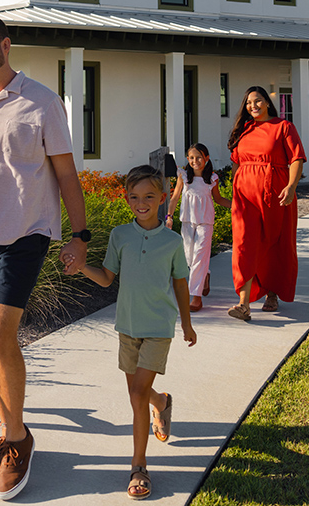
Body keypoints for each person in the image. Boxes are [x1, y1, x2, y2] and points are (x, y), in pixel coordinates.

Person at [0, 13, 89, 501]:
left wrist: (80, 235)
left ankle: (17, 442)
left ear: (5, 46)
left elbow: (66, 174)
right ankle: (12, 430)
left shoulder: (42, 102)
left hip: (23, 234)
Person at [71, 165, 196, 500]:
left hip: (158, 328)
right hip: (127, 326)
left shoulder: (172, 241)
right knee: (137, 395)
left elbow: (180, 284)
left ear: (162, 198)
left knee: (137, 395)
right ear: (127, 199)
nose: (142, 203)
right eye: (135, 197)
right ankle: (161, 401)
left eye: (149, 197)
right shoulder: (120, 235)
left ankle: (138, 466)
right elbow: (107, 278)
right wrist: (82, 267)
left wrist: (186, 324)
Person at [226, 85, 306, 320]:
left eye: (258, 100)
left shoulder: (283, 127)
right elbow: (237, 164)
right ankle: (243, 304)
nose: (253, 106)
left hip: (276, 195)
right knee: (244, 244)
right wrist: (234, 192)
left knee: (275, 243)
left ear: (268, 103)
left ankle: (272, 293)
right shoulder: (244, 130)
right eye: (249, 102)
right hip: (245, 198)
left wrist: (291, 186)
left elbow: (297, 158)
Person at [165, 143, 231, 312]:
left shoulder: (212, 179)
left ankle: (196, 297)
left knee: (199, 258)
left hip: (205, 223)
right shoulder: (184, 176)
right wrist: (169, 217)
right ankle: (205, 275)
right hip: (187, 221)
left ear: (206, 158)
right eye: (192, 158)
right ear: (187, 159)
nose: (195, 161)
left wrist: (238, 206)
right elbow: (175, 197)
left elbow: (218, 199)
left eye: (199, 157)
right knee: (189, 258)